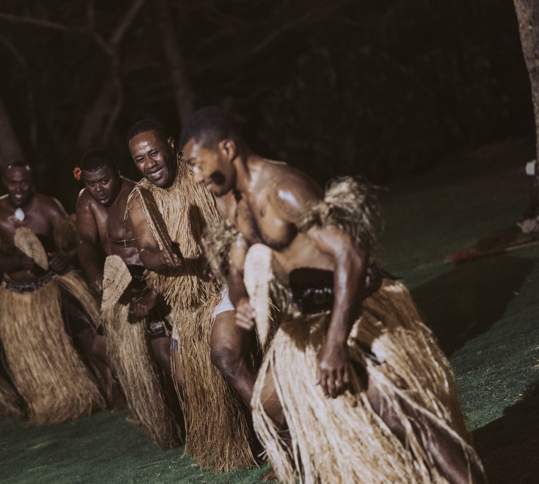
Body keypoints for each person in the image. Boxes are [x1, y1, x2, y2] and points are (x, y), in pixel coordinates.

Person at [181, 106, 486, 484]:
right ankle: (325, 462)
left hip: (356, 306)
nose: (194, 176)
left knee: (398, 413)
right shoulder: (237, 202)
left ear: (226, 148)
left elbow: (351, 255)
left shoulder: (283, 188)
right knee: (270, 402)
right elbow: (239, 259)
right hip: (308, 318)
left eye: (197, 163)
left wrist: (337, 343)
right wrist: (241, 296)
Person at [124, 120, 256, 472]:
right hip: (187, 305)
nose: (150, 163)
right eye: (140, 159)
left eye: (154, 153)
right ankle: (242, 441)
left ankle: (282, 436)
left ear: (170, 144)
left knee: (226, 356)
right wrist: (162, 259)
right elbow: (147, 248)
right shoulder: (140, 200)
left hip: (228, 284)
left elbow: (239, 213)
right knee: (185, 379)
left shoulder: (200, 173)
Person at [0, 160, 111, 425]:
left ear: (32, 180)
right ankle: (21, 399)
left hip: (52, 285)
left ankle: (109, 387)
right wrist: (17, 263)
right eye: (13, 182)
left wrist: (64, 257)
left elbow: (76, 243)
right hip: (14, 294)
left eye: (24, 182)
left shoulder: (48, 206)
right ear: (5, 183)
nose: (18, 188)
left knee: (86, 334)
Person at [76, 148, 182, 448]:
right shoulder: (86, 200)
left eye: (104, 181)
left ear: (117, 172)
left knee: (163, 355)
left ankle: (179, 410)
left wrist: (153, 290)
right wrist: (94, 269)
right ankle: (137, 390)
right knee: (99, 346)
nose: (98, 189)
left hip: (151, 283)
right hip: (118, 287)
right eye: (91, 183)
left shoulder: (137, 196)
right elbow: (84, 241)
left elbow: (163, 247)